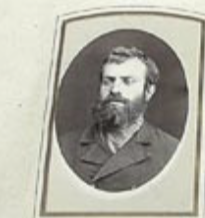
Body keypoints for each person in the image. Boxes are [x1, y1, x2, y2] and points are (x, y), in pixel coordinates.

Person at [60, 46, 180, 192]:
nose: (115, 89)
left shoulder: (171, 151)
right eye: (108, 81)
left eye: (128, 81)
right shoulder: (65, 147)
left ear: (148, 91)